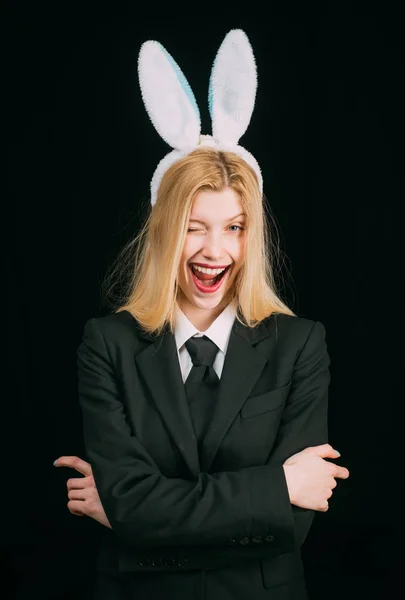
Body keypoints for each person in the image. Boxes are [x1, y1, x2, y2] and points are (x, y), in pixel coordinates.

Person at [55, 30, 349, 599]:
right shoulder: (107, 345)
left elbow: (292, 528)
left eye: (233, 228)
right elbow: (277, 508)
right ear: (166, 232)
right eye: (195, 226)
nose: (215, 250)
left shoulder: (300, 346)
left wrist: (130, 515)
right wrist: (274, 488)